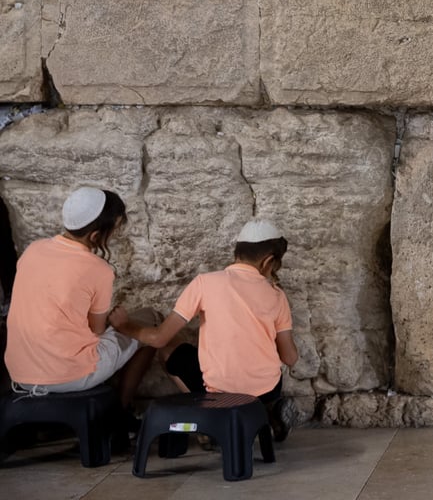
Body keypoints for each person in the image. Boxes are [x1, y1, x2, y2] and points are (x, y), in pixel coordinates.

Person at [113, 218, 299, 440]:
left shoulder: (205, 283)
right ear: (268, 261)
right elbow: (289, 357)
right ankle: (264, 413)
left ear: (237, 252)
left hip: (219, 391)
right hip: (268, 391)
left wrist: (124, 325)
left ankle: (208, 420)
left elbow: (159, 338)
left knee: (169, 348)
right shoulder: (278, 296)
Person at [4, 187, 155, 426]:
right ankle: (121, 412)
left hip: (20, 375)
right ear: (95, 236)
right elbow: (96, 331)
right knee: (150, 320)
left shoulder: (32, 251)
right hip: (69, 375)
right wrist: (122, 323)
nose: (114, 236)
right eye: (114, 231)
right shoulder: (98, 269)